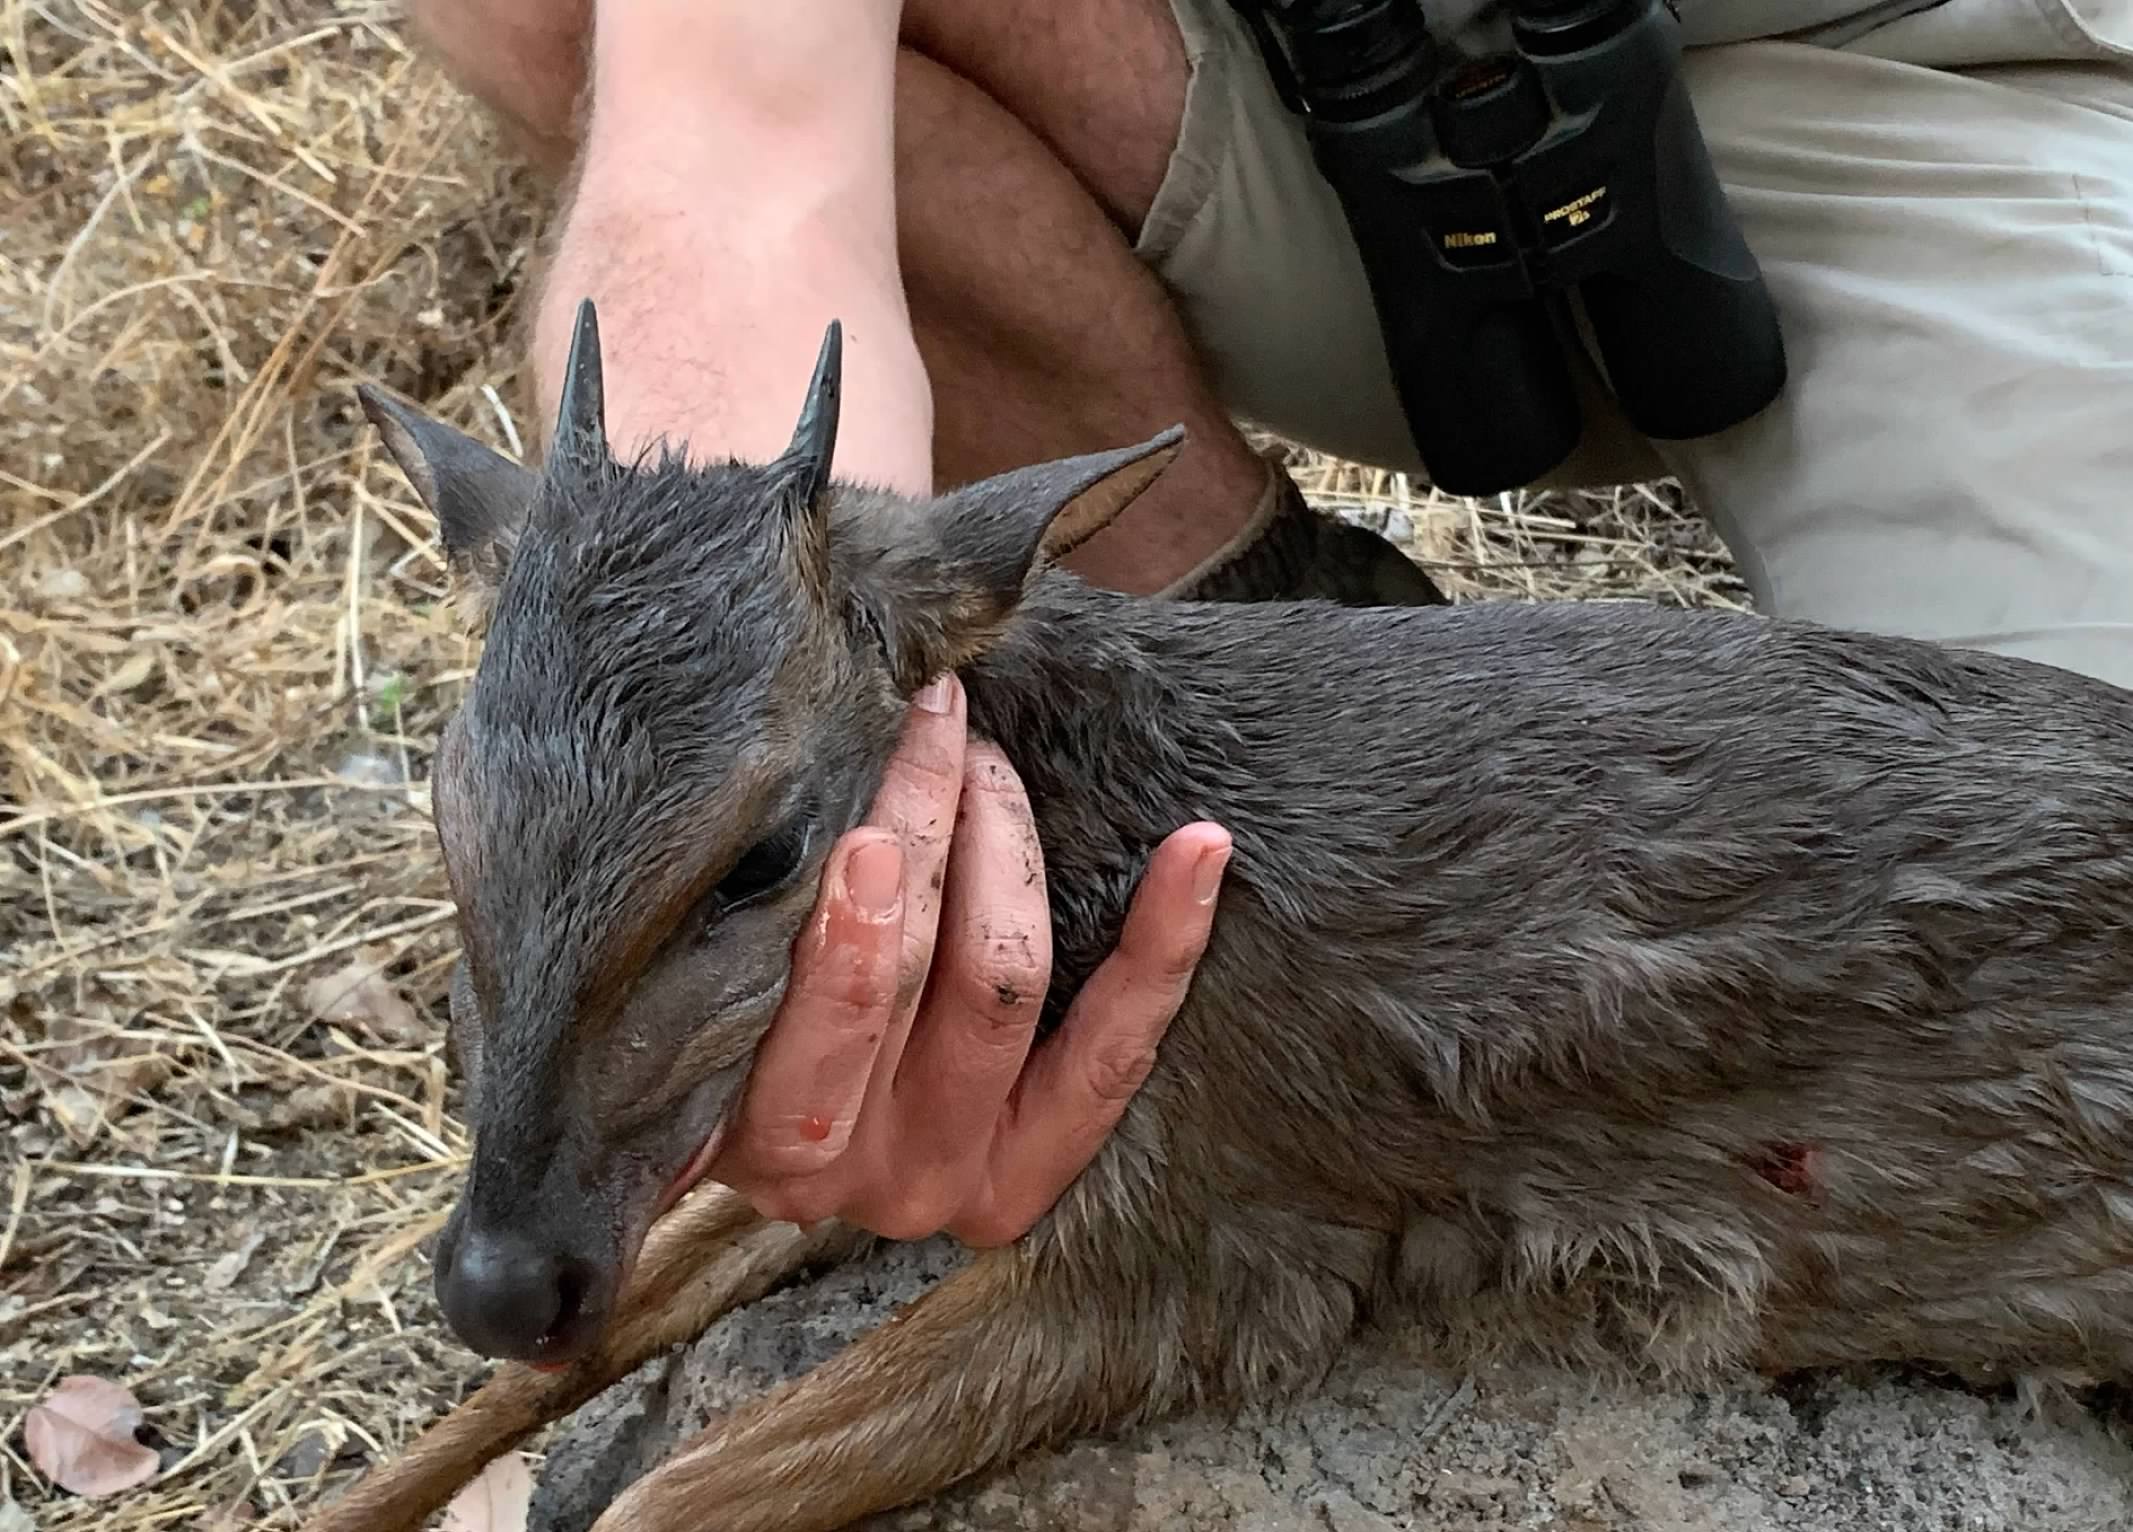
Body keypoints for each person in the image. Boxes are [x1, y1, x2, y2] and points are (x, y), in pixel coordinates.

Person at [402, 0, 2133, 1248]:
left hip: (1948, 91)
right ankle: (1255, 678)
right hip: (1368, 116)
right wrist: (746, 685)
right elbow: (736, 112)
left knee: (2065, 918)